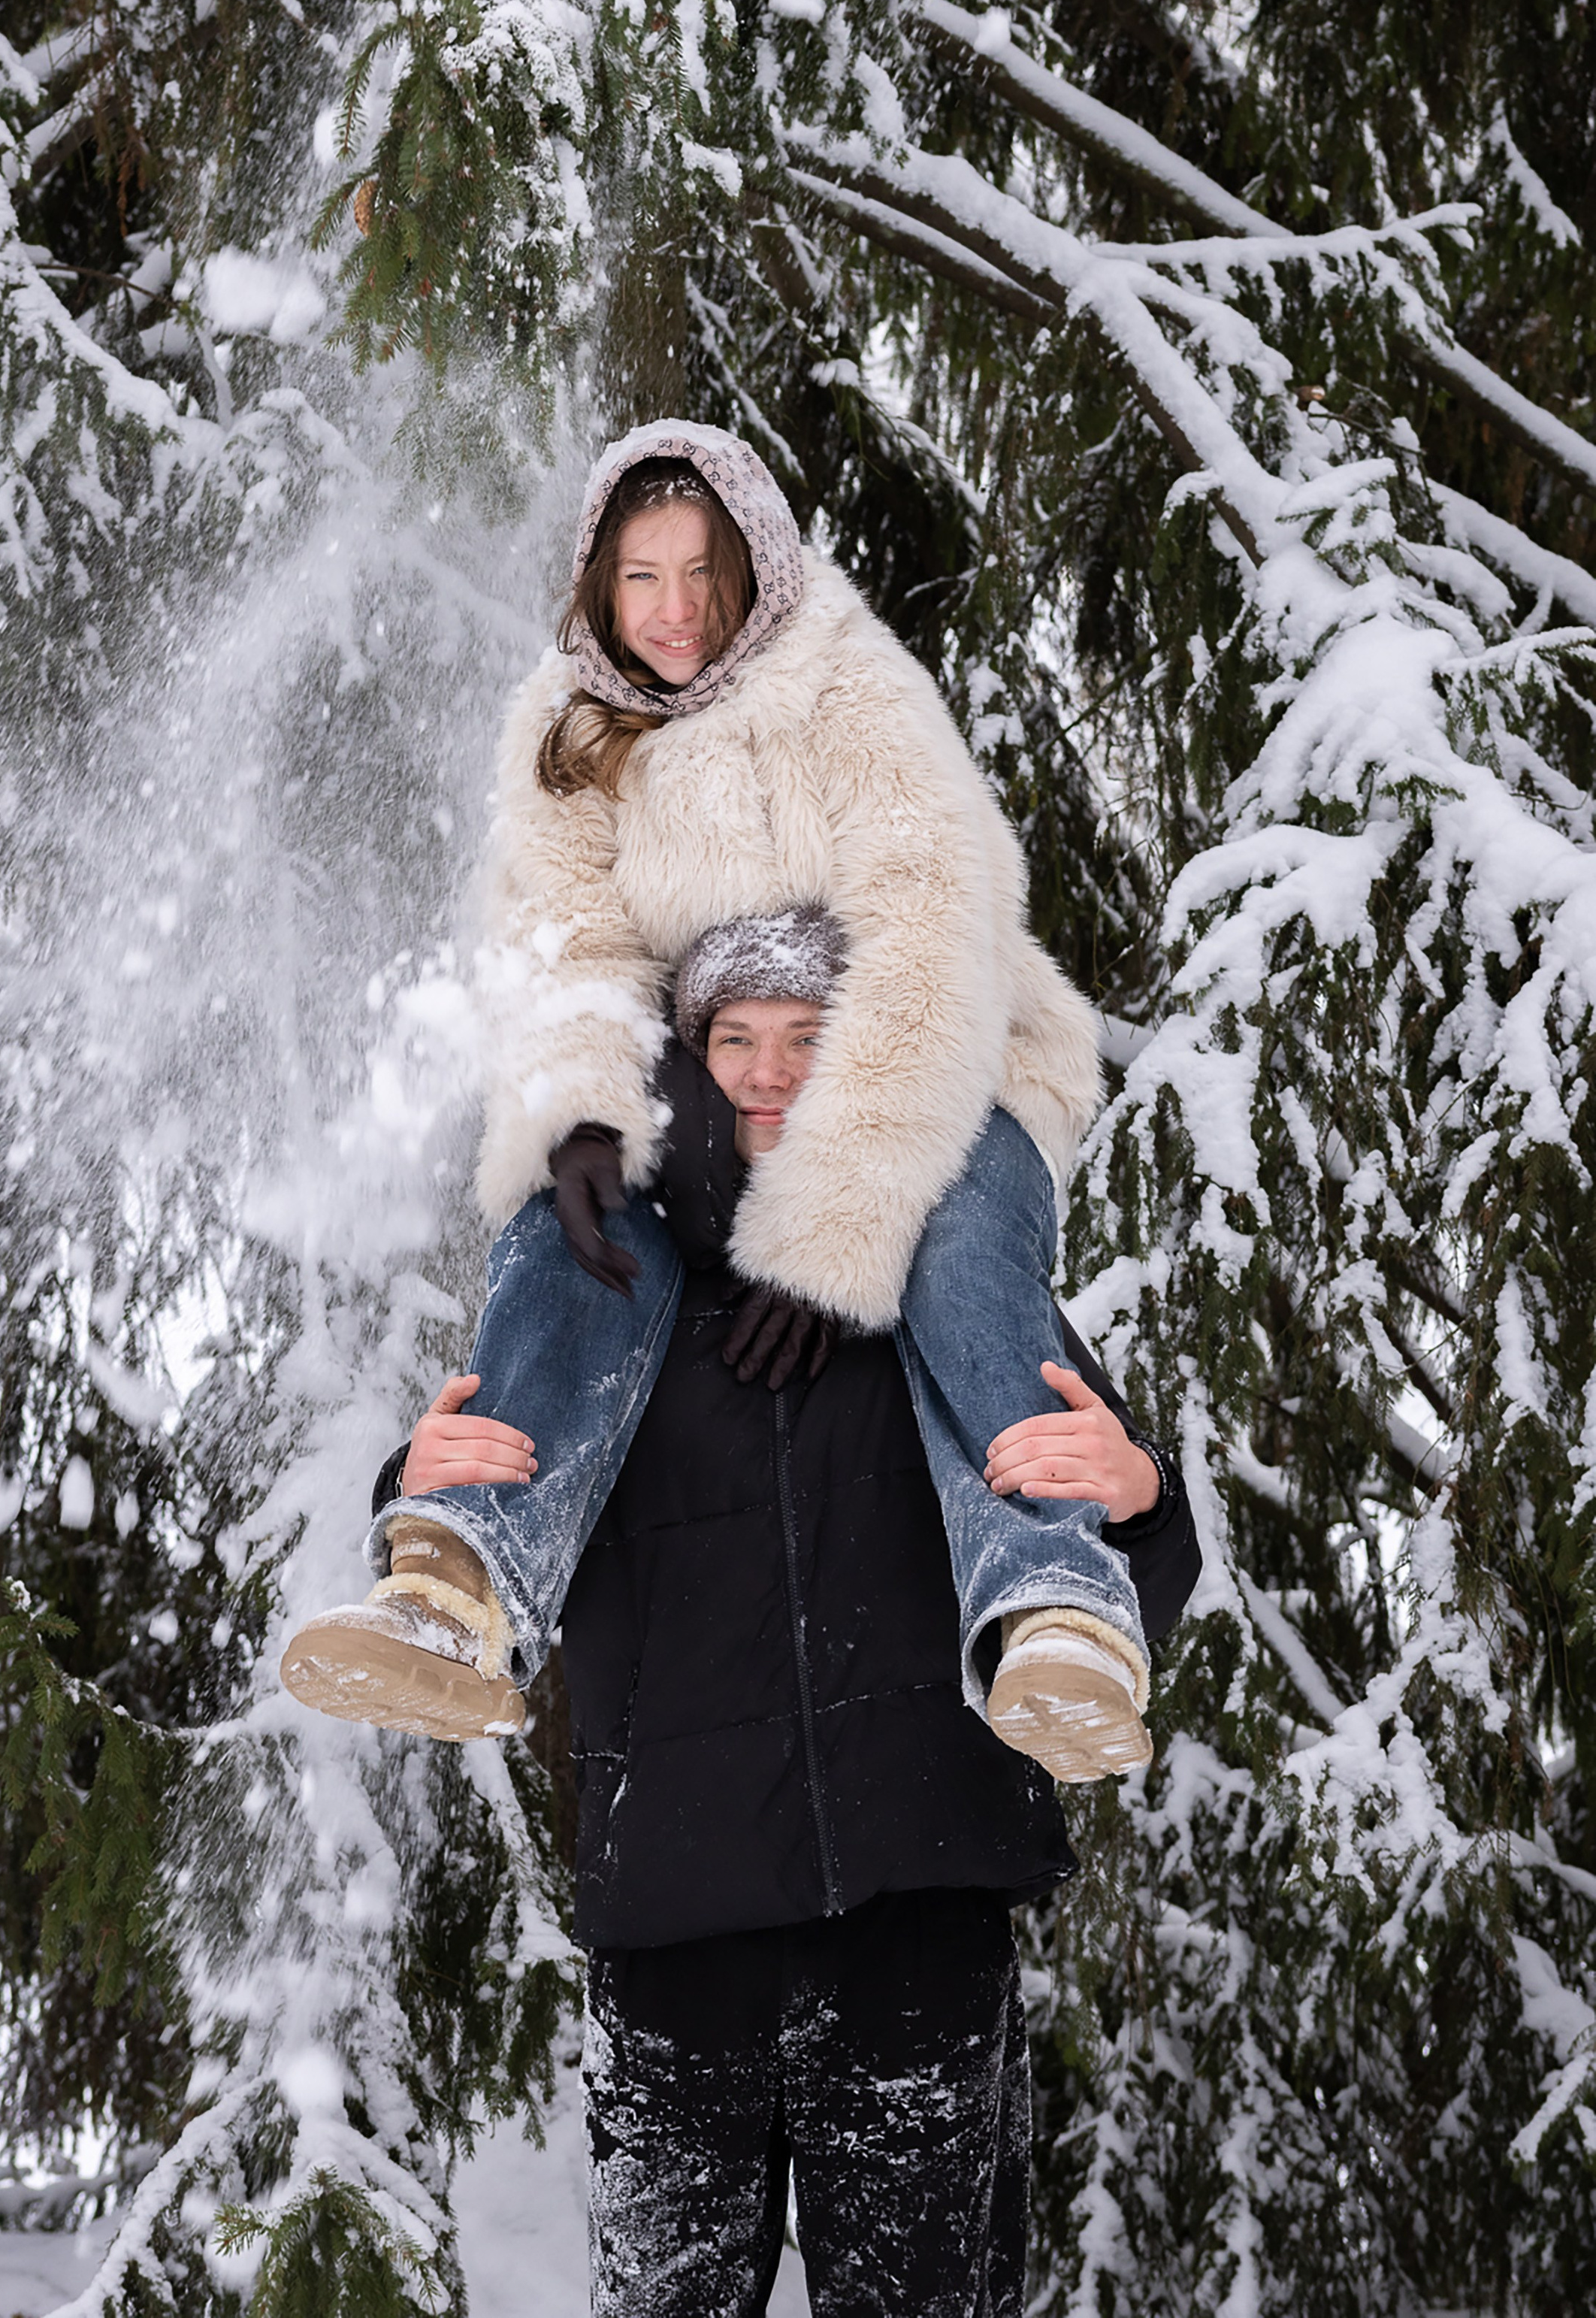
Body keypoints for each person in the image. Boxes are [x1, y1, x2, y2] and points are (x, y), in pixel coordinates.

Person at [282, 421, 1149, 1772]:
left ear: (752, 571)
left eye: (701, 572)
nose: (675, 610)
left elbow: (933, 941)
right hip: (710, 1087)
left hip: (951, 1060)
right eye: (640, 577)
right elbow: (567, 943)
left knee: (961, 1246)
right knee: (571, 1231)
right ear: (598, 585)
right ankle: (462, 1577)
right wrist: (577, 1112)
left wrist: (832, 1236)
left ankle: (1055, 1600)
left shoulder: (846, 684)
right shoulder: (568, 729)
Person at [355, 934, 1201, 2317]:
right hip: (677, 1942)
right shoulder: (607, 1294)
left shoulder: (945, 1277)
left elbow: (1105, 1573)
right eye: (734, 1037)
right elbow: (487, 1497)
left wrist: (1145, 1498)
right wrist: (411, 1487)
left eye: (809, 1035)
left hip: (918, 1924)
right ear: (687, 1058)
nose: (768, 1073)